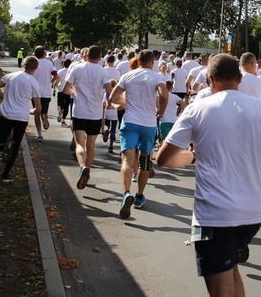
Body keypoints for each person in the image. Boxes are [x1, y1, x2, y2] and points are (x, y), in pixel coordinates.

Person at [157, 54, 261, 297]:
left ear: (209, 80)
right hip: (253, 214)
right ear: (239, 79)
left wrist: (192, 158)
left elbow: (163, 159)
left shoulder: (197, 109)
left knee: (219, 288)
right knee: (230, 270)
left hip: (211, 216)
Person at [109, 49, 168, 219]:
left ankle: (126, 192)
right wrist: (162, 111)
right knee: (144, 161)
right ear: (152, 62)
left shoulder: (128, 76)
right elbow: (164, 94)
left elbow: (113, 97)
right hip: (148, 124)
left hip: (130, 122)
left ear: (138, 60)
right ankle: (139, 194)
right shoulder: (156, 77)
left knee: (127, 160)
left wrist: (125, 102)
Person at [63, 45, 113, 191]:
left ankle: (82, 166)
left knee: (80, 145)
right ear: (99, 58)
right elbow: (109, 91)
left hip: (79, 112)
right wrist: (110, 104)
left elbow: (66, 89)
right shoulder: (103, 71)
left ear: (86, 56)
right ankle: (88, 172)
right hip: (95, 114)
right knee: (91, 146)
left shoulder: (76, 67)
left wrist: (75, 91)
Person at [0, 55, 41, 182]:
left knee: (0, 141)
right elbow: (38, 107)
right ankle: (6, 174)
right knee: (16, 144)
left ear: (23, 64)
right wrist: (32, 111)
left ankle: (2, 145)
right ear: (36, 68)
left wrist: (4, 98)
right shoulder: (34, 83)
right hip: (21, 117)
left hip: (7, 114)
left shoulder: (11, 76)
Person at [32, 46, 58, 142]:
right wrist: (50, 81)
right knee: (44, 111)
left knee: (36, 112)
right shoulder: (49, 64)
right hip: (46, 92)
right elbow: (56, 75)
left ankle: (39, 134)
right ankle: (44, 116)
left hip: (35, 92)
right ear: (44, 53)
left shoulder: (34, 63)